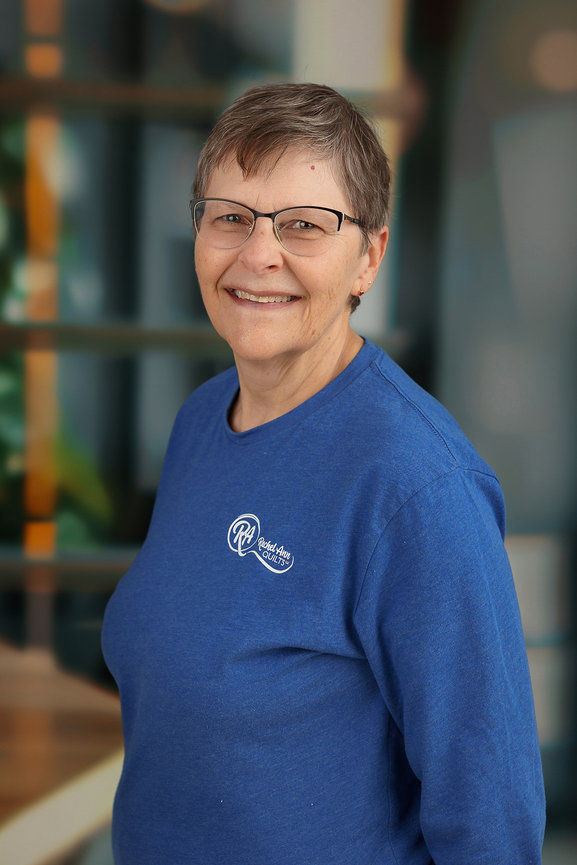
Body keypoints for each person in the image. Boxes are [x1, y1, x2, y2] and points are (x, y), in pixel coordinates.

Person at [102, 82, 545, 864]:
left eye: (304, 226)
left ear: (368, 257)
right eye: (230, 216)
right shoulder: (203, 421)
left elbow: (491, 820)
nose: (257, 253)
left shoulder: (417, 487)